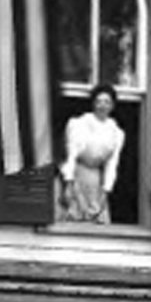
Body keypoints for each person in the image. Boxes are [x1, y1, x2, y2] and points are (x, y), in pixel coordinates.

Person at [58, 83, 124, 223]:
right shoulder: (79, 124)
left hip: (96, 179)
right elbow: (71, 155)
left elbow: (112, 164)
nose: (102, 106)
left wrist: (105, 191)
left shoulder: (116, 132)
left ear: (112, 106)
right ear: (93, 104)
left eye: (107, 102)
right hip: (76, 174)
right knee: (74, 215)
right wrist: (68, 184)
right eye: (99, 101)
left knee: (96, 216)